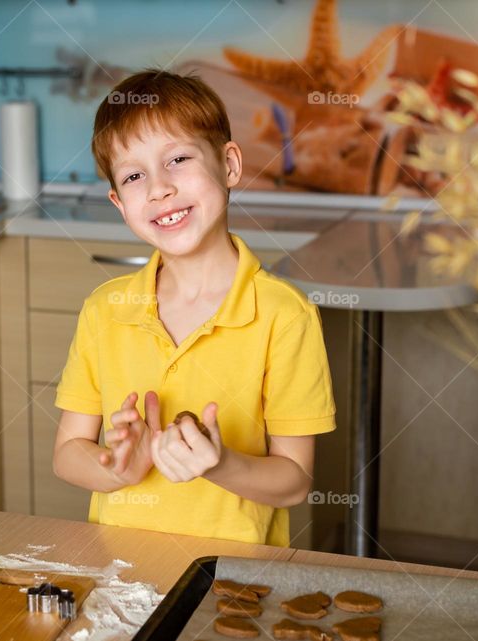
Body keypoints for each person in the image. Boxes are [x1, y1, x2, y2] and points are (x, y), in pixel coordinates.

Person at [51, 69, 336, 546]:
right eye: (135, 175)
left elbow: (294, 482)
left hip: (232, 579)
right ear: (120, 204)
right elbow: (66, 455)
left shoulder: (285, 316)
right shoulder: (105, 310)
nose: (159, 188)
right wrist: (120, 469)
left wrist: (221, 464)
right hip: (121, 572)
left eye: (178, 158)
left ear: (229, 165)